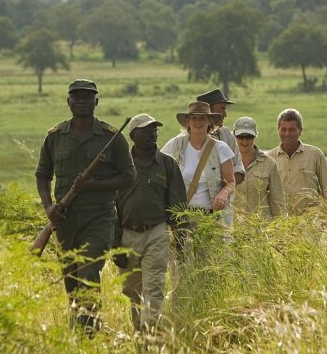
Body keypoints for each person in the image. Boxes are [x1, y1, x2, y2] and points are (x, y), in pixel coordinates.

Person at [34, 78, 136, 336]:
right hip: (65, 222)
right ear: (68, 102)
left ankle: (89, 332)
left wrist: (92, 185)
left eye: (87, 97)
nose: (81, 102)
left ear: (96, 102)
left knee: (88, 269)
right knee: (71, 278)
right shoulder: (55, 136)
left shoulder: (112, 137)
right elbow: (42, 174)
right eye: (76, 97)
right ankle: (79, 328)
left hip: (99, 218)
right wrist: (49, 208)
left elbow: (128, 176)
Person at [113, 113, 187, 332]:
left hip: (156, 232)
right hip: (127, 234)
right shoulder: (120, 165)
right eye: (146, 131)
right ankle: (139, 330)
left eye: (155, 130)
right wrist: (115, 243)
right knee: (131, 290)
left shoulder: (167, 164)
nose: (152, 134)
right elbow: (111, 207)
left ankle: (150, 332)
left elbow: (178, 205)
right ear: (133, 135)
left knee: (153, 287)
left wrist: (180, 239)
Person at [161, 101, 236, 219]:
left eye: (202, 118)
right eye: (194, 118)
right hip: (182, 217)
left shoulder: (221, 148)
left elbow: (231, 182)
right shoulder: (175, 144)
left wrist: (224, 193)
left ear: (209, 121)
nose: (198, 121)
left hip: (212, 217)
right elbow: (158, 167)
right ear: (188, 122)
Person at [266, 108, 327, 215]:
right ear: (278, 130)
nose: (287, 134)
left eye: (292, 129)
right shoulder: (269, 158)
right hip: (280, 223)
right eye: (283, 129)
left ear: (300, 131)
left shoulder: (315, 155)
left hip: (311, 223)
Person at [196, 89, 245, 226]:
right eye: (222, 109)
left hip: (223, 209)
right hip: (194, 211)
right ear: (209, 111)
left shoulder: (226, 135)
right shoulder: (183, 140)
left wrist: (225, 187)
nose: (225, 114)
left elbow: (239, 170)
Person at [232, 116, 286, 220]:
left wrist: (281, 229)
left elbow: (278, 202)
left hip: (262, 230)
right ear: (233, 135)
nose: (244, 141)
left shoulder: (269, 164)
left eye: (249, 137)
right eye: (240, 136)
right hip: (232, 228)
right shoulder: (225, 162)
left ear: (256, 135)